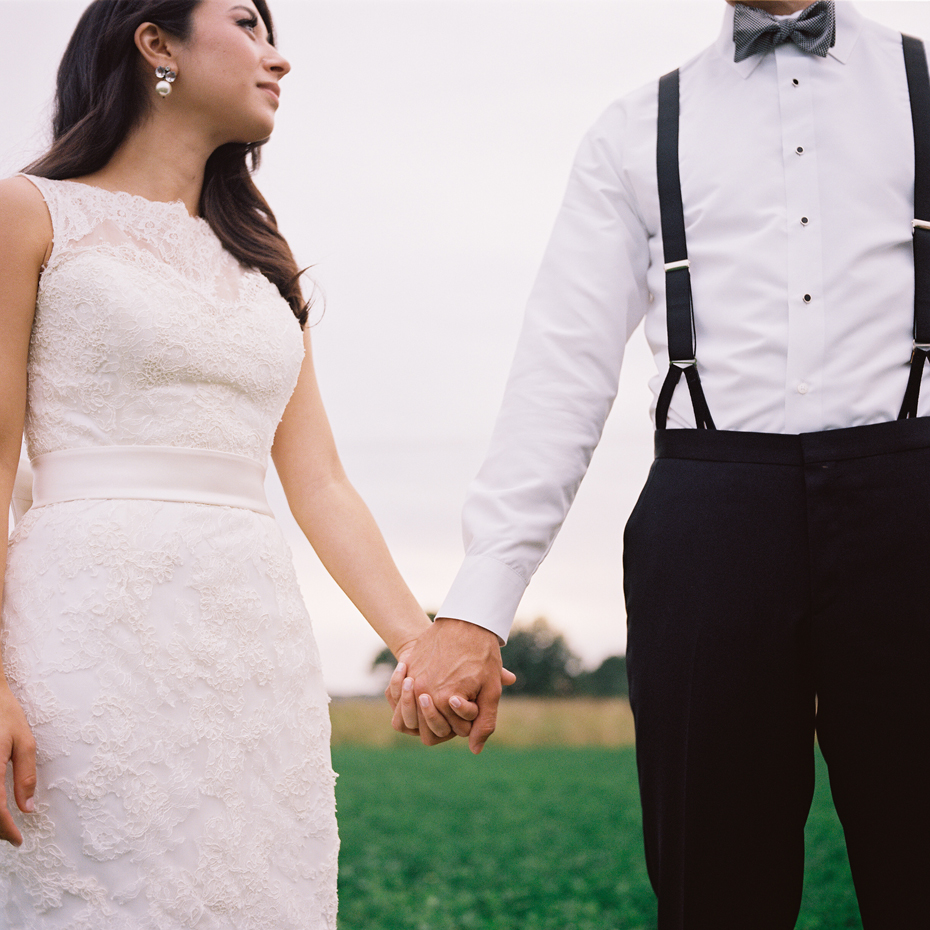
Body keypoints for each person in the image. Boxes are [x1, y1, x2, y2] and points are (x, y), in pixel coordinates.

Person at [389, 1, 930, 927]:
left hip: (913, 496)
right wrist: (479, 604)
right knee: (715, 883)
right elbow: (561, 367)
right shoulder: (635, 127)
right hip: (711, 513)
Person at [0, 1, 512, 926]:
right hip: (82, 648)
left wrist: (419, 641)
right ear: (155, 43)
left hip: (253, 650)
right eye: (248, 25)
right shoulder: (29, 214)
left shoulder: (264, 265)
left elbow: (319, 483)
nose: (280, 60)